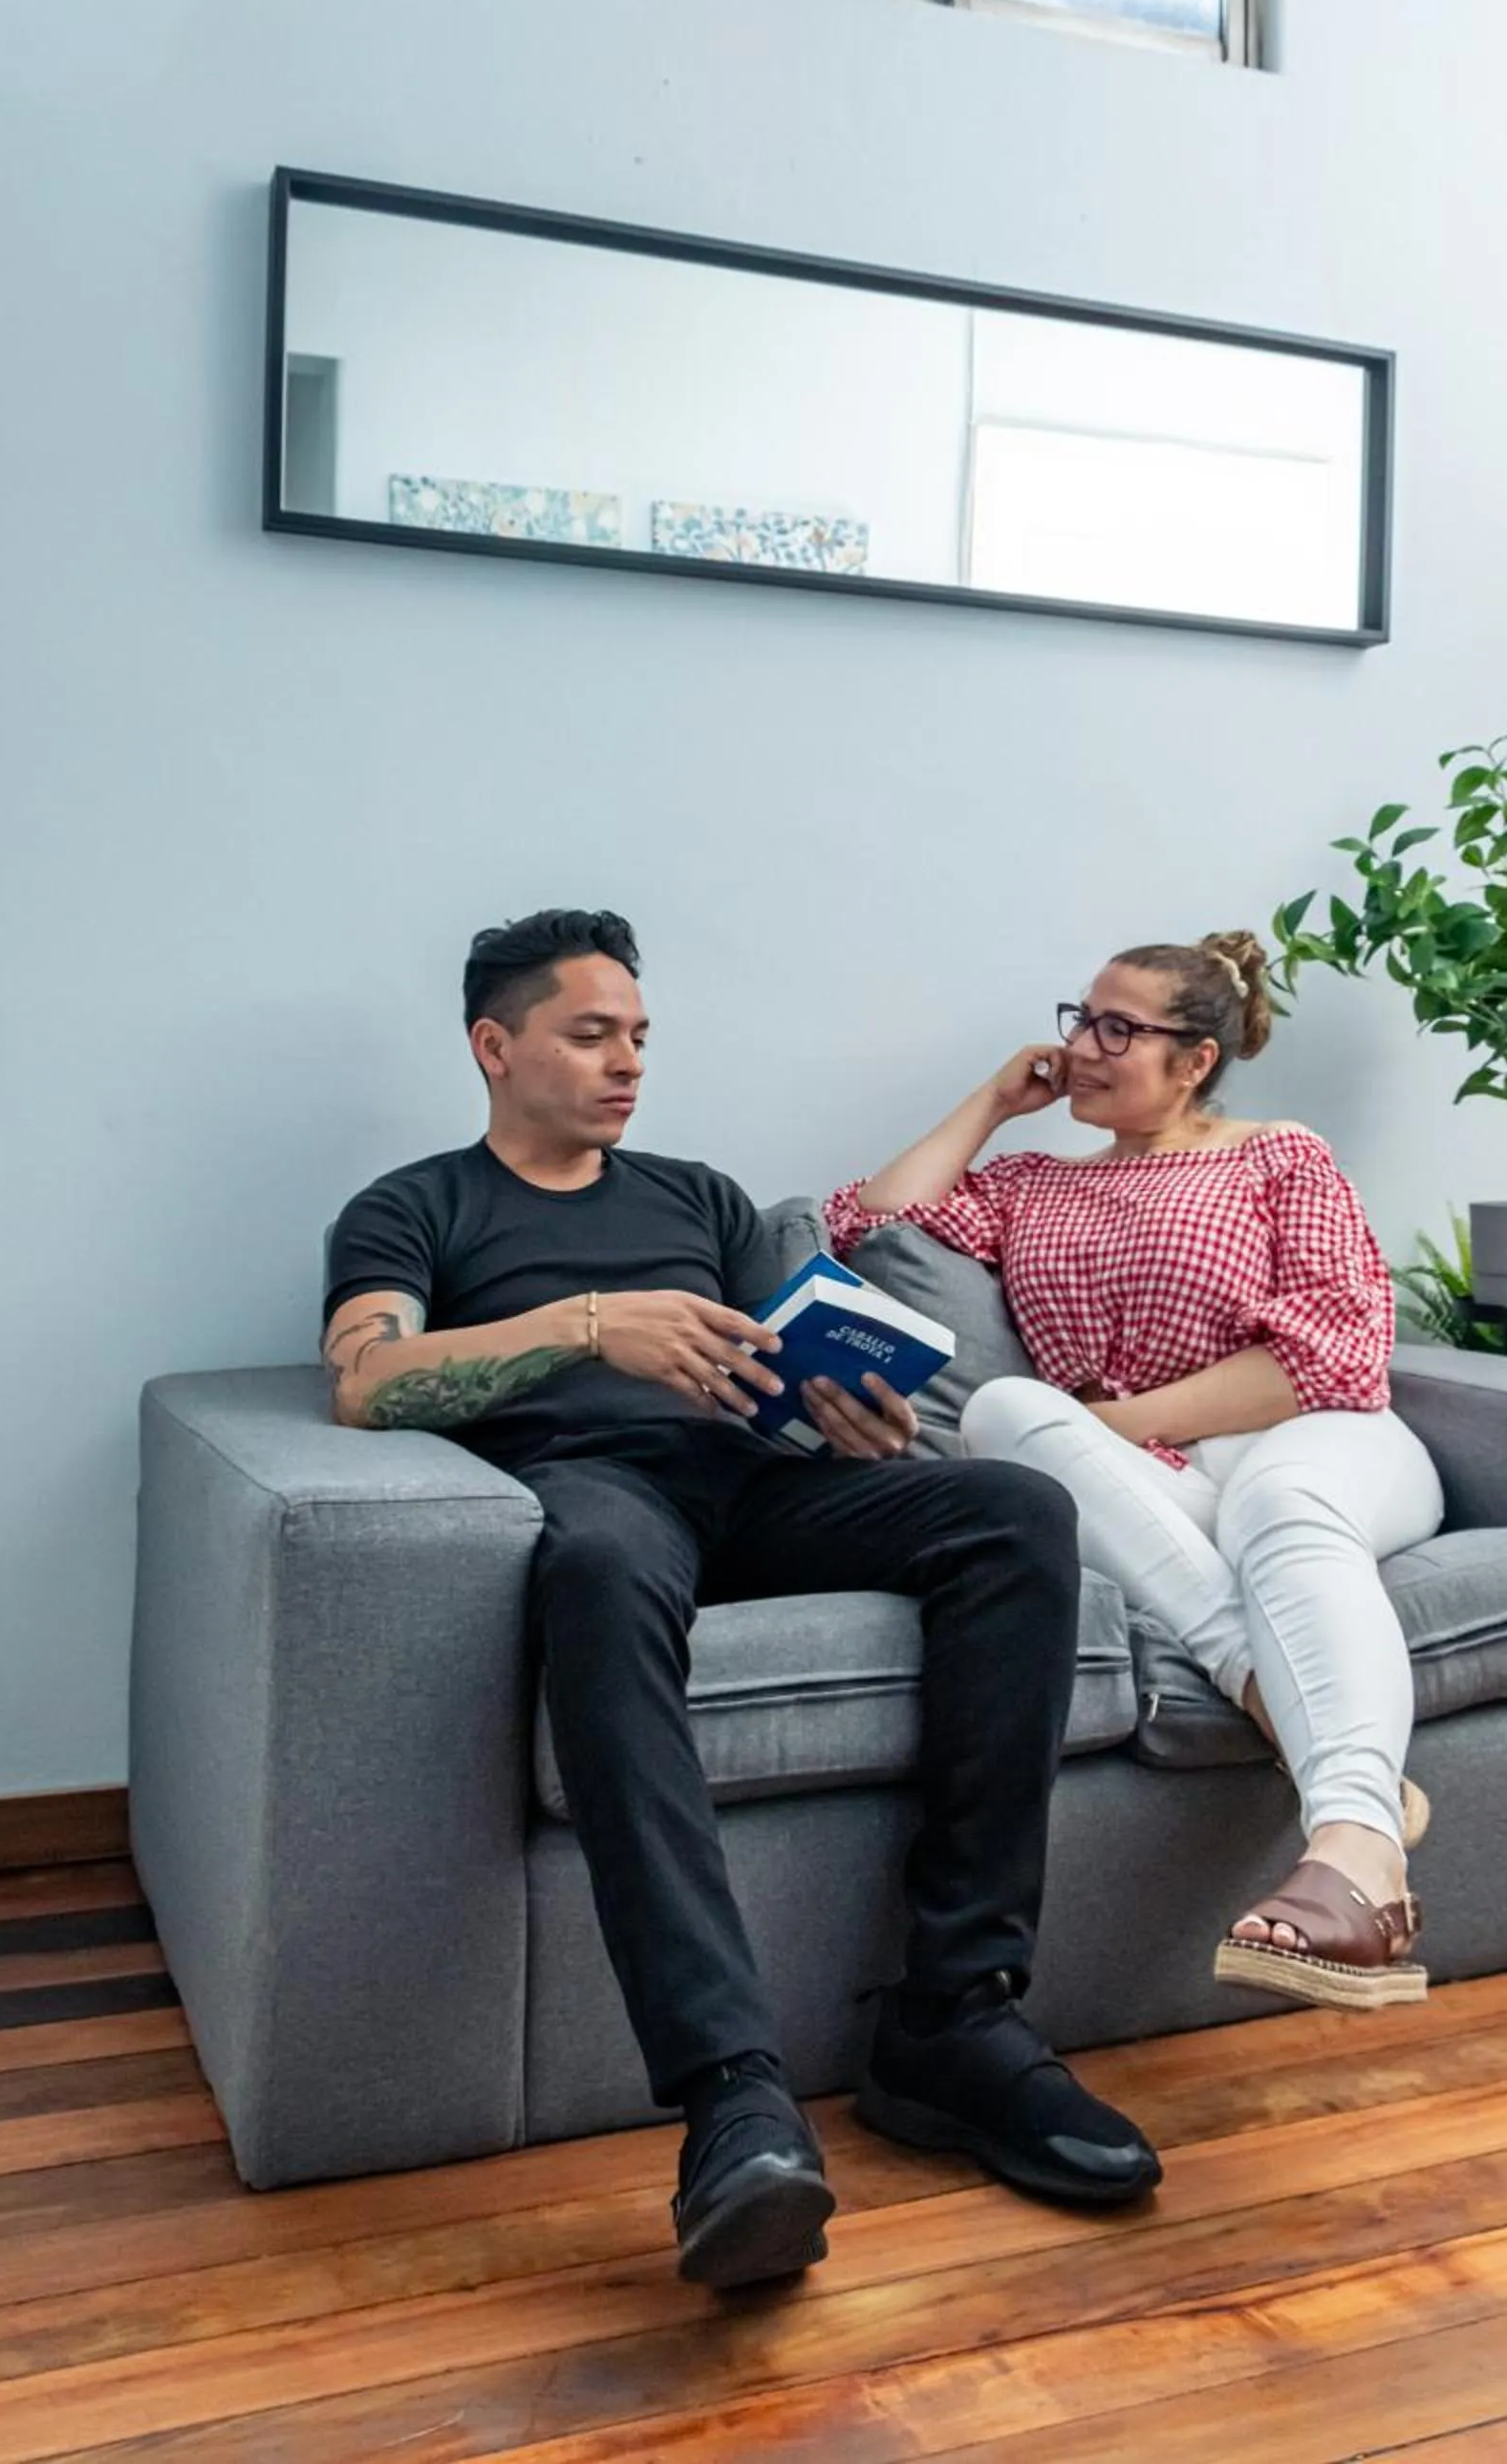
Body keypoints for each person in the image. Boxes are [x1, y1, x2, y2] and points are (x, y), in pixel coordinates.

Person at [321, 908, 1161, 2292]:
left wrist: (851, 1410)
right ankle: (734, 2105)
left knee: (1013, 1511)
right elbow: (367, 1383)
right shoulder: (416, 1206)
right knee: (591, 1563)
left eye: (639, 1036)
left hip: (748, 1485)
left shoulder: (699, 1199)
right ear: (494, 1045)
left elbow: (811, 1353)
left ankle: (956, 2021)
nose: (627, 1063)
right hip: (591, 1494)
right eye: (591, 1034)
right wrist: (588, 1327)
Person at [826, 932, 1444, 2016]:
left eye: (1118, 1028)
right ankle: (1325, 1752)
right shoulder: (1028, 1186)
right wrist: (990, 1102)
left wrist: (1113, 1421)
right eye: (1080, 1018)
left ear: (1194, 1058)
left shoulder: (1275, 1156)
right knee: (1002, 1411)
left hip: (1313, 1440)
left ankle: (1356, 1858)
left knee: (1276, 1503)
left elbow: (1330, 1353)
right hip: (1149, 1487)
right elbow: (866, 1226)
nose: (1083, 1046)